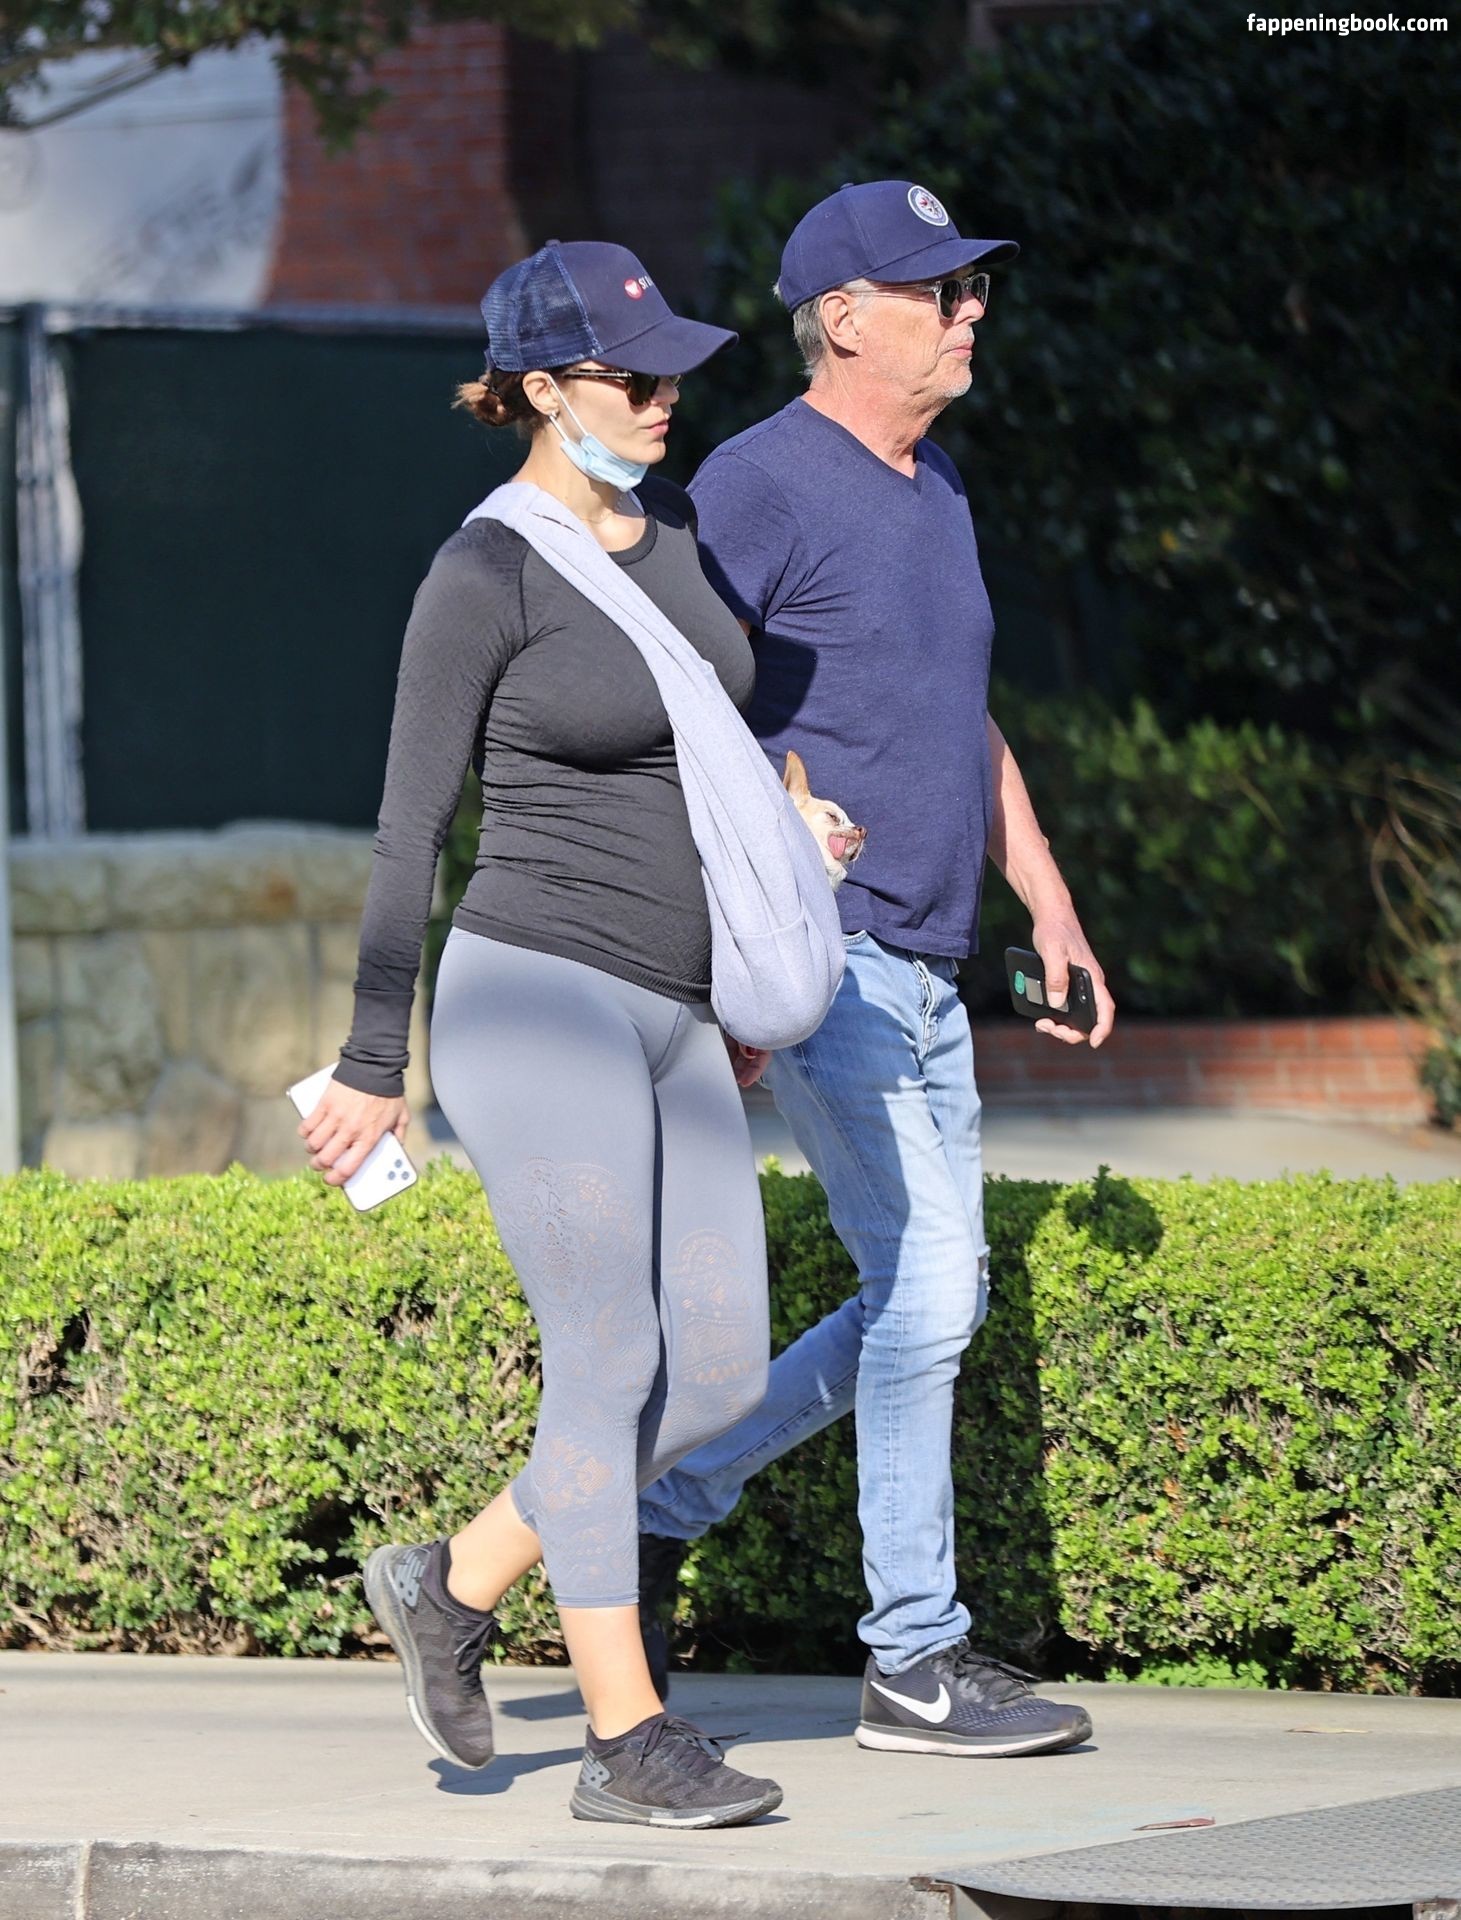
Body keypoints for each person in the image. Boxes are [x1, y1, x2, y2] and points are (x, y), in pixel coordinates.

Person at [297, 239, 784, 1829]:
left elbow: (706, 753)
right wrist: (376, 1062)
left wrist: (785, 843)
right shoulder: (483, 573)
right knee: (609, 1357)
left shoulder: (678, 533)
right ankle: (623, 1740)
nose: (661, 398)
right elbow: (407, 830)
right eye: (628, 378)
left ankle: (451, 1582)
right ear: (535, 389)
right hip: (534, 994)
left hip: (678, 1008)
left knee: (716, 1372)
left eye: (668, 372)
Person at [635, 182, 1117, 1759]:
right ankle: (912, 1658)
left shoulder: (937, 488)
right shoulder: (757, 483)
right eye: (938, 291)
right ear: (842, 319)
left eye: (973, 287)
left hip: (926, 961)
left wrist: (1046, 900)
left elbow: (957, 715)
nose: (970, 311)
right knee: (926, 1294)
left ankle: (654, 1504)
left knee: (923, 1298)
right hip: (827, 957)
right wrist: (741, 893)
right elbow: (668, 701)